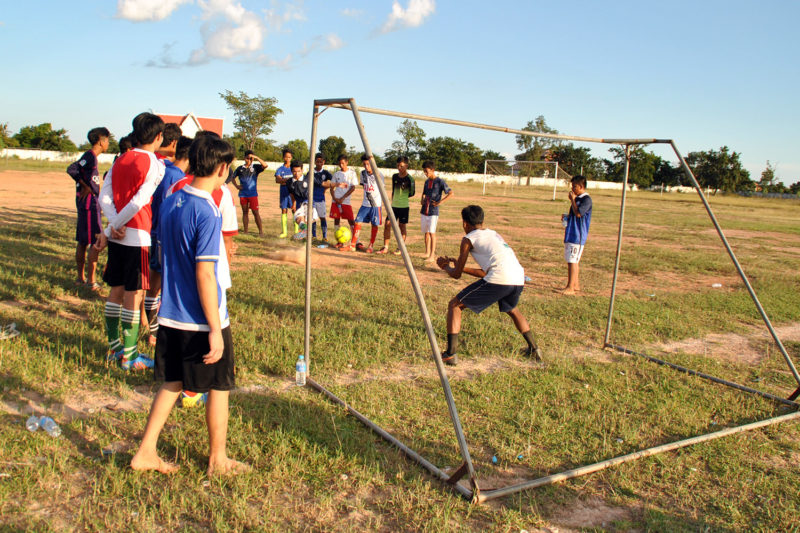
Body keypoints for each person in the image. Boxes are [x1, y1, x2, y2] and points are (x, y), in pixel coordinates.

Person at [130, 134, 248, 475]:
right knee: (219, 386)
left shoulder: (171, 200)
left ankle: (146, 451)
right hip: (200, 320)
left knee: (172, 383)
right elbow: (205, 275)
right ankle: (218, 459)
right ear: (223, 168)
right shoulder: (207, 210)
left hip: (171, 315)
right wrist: (215, 329)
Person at [95, 112, 165, 370]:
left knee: (115, 290)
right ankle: (130, 356)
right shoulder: (155, 164)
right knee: (134, 295)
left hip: (117, 235)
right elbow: (139, 201)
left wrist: (113, 224)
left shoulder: (121, 158)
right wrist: (118, 224)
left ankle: (114, 349)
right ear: (159, 136)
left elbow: (103, 196)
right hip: (136, 235)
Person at [436, 205, 542, 366]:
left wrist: (445, 267)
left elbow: (456, 275)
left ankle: (450, 354)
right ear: (482, 220)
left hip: (500, 278)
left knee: (455, 305)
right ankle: (534, 349)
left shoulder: (468, 239)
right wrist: (461, 267)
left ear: (465, 223)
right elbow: (486, 273)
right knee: (512, 310)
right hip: (518, 277)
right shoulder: (493, 234)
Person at [144, 135, 193, 347]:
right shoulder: (175, 177)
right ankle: (154, 330)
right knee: (162, 286)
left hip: (154, 232)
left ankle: (150, 327)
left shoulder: (164, 169)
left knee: (154, 285)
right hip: (162, 235)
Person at [66, 127, 110, 291]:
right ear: (100, 141)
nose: (107, 144)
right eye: (107, 140)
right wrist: (86, 186)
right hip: (89, 204)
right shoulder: (90, 157)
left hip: (86, 203)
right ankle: (91, 280)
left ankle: (80, 278)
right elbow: (72, 169)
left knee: (83, 240)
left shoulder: (91, 157)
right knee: (94, 240)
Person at [342, 155, 383, 253]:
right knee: (357, 222)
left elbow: (382, 189)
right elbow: (364, 186)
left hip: (375, 204)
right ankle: (352, 245)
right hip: (365, 203)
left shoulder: (379, 175)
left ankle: (371, 245)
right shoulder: (362, 174)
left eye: (368, 164)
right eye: (364, 164)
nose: (366, 166)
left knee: (374, 224)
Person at [561, 175, 592, 295]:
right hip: (571, 232)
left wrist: (572, 200)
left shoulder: (586, 199)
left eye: (574, 186)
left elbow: (579, 214)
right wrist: (567, 217)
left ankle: (570, 287)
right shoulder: (578, 198)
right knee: (572, 260)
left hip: (578, 235)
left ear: (581, 186)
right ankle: (576, 284)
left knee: (572, 261)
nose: (572, 188)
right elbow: (574, 214)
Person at [378, 155, 415, 255]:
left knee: (401, 226)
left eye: (401, 166)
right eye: (398, 166)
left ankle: (400, 248)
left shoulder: (410, 179)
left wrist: (402, 198)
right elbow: (394, 190)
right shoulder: (394, 176)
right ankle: (385, 247)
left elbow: (412, 193)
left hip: (404, 207)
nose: (399, 168)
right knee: (387, 224)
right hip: (393, 206)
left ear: (406, 166)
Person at [420, 160, 453, 262]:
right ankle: (427, 252)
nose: (425, 173)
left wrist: (440, 202)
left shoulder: (440, 182)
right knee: (426, 232)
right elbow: (424, 193)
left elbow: (451, 193)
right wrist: (422, 199)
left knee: (432, 233)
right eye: (424, 171)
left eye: (427, 171)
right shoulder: (426, 182)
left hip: (433, 211)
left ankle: (432, 255)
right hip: (424, 210)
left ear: (432, 170)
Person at [230, 150, 266, 236]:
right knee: (245, 212)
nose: (249, 160)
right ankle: (246, 231)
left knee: (255, 212)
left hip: (253, 194)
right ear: (244, 158)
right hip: (243, 194)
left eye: (251, 158)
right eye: (247, 158)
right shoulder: (240, 168)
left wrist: (256, 157)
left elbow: (265, 165)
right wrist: (237, 186)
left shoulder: (255, 168)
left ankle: (260, 231)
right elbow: (232, 178)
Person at [329, 154, 358, 244]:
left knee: (351, 221)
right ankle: (339, 241)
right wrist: (335, 198)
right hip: (336, 201)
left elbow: (353, 188)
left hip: (345, 201)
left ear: (346, 162)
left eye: (343, 163)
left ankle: (356, 241)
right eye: (339, 164)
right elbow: (331, 188)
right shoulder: (336, 174)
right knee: (336, 220)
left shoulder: (352, 173)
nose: (341, 165)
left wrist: (343, 198)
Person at [286, 160, 318, 240]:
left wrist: (336, 184)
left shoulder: (308, 179)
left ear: (302, 170)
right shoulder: (289, 182)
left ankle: (306, 234)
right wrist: (293, 204)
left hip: (308, 203)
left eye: (298, 171)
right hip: (299, 204)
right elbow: (292, 194)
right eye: (294, 171)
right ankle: (305, 233)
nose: (296, 174)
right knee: (299, 220)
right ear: (291, 171)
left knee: (308, 220)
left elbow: (322, 183)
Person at [310, 153, 333, 242]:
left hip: (321, 199)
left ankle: (324, 236)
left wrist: (326, 188)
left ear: (324, 162)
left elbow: (333, 182)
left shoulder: (326, 173)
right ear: (315, 162)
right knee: (313, 218)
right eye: (317, 161)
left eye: (321, 161)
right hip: (312, 199)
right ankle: (314, 236)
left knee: (322, 217)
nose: (319, 163)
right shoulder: (311, 172)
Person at [275, 149, 296, 238]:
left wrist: (283, 181)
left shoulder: (293, 168)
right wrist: (287, 181)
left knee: (294, 210)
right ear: (283, 157)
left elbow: (296, 179)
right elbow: (277, 180)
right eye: (286, 157)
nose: (288, 159)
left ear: (291, 158)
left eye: (289, 157)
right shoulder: (280, 169)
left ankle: (297, 231)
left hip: (293, 193)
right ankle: (284, 232)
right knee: (284, 210)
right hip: (284, 192)